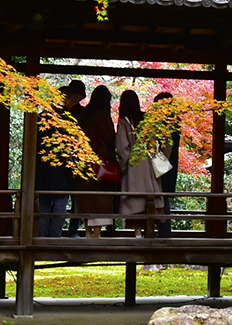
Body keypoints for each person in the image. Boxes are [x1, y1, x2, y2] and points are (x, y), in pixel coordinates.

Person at [35, 80, 84, 238]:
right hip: (63, 171)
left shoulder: (41, 118)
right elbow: (74, 149)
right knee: (59, 207)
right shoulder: (69, 122)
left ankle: (42, 237)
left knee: (44, 206)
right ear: (67, 99)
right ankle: (54, 238)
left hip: (43, 170)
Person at [75, 84, 119, 236]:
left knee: (86, 199)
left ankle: (87, 231)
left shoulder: (84, 115)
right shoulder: (102, 116)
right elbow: (110, 138)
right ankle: (97, 234)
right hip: (100, 163)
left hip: (84, 163)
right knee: (100, 200)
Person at [115, 89, 160, 234]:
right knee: (149, 197)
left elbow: (122, 148)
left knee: (134, 200)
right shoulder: (146, 119)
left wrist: (123, 166)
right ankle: (150, 230)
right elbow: (154, 144)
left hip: (133, 166)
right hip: (148, 165)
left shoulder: (124, 122)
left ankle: (138, 233)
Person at [153, 91, 179, 237]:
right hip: (169, 166)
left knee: (162, 199)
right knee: (163, 199)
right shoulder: (174, 124)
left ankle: (164, 231)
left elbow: (166, 150)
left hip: (163, 166)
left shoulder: (166, 126)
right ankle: (163, 231)